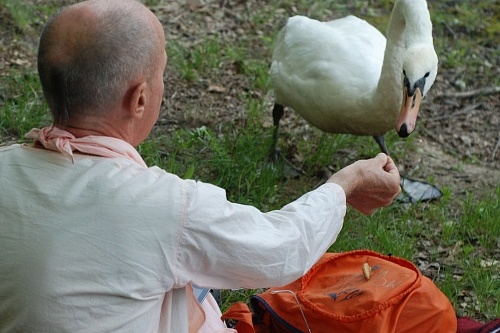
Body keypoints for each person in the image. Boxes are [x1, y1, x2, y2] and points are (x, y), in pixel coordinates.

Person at [0, 0, 401, 332]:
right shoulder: (167, 208)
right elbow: (283, 250)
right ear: (139, 99)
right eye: (161, 73)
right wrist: (346, 183)